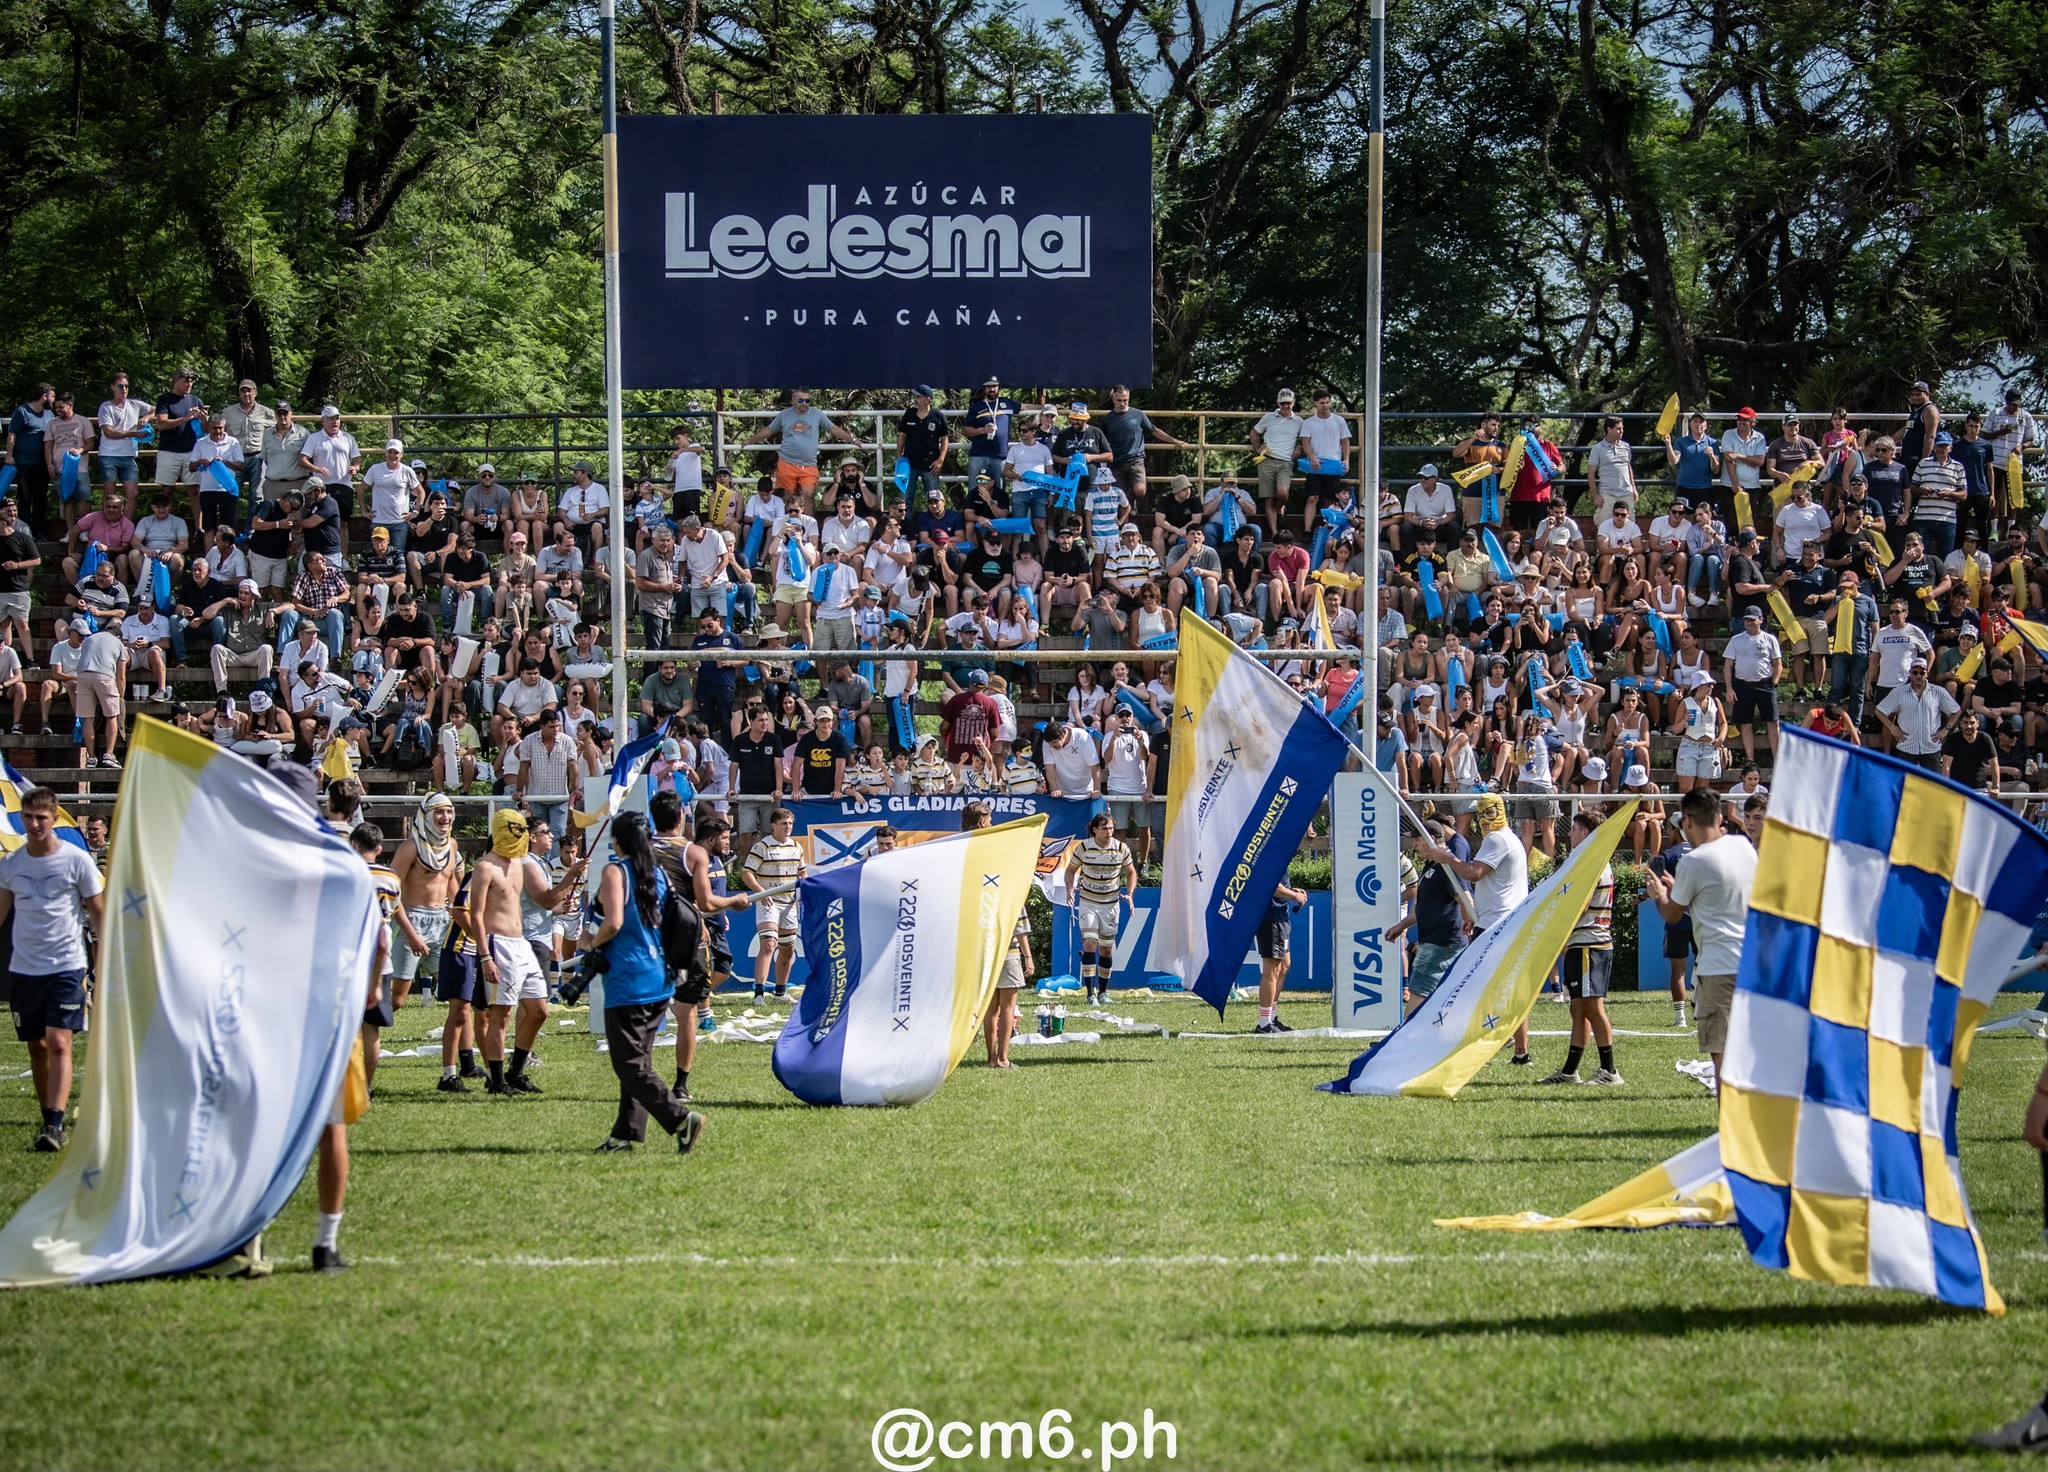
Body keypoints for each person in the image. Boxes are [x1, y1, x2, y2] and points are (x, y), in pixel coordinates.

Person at [585, 811, 707, 1155]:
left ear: (617, 840)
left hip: (629, 979)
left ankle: (681, 1119)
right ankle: (625, 1135)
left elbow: (613, 922)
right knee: (639, 1061)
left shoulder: (615, 871)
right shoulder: (658, 874)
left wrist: (590, 946)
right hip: (660, 978)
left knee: (629, 1064)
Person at [0, 787, 105, 1151]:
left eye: (41, 817)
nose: (33, 824)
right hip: (24, 969)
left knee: (60, 1043)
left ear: (54, 818)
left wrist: (107, 959)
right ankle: (49, 1116)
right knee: (37, 1046)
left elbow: (98, 910)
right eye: (28, 817)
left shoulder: (76, 860)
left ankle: (54, 1125)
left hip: (65, 965)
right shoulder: (12, 864)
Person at [1644, 785, 1758, 1087]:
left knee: (1722, 1061)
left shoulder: (1694, 861)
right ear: (1720, 817)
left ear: (1690, 822)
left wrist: (1659, 894)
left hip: (1718, 969)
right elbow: (1717, 899)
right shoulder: (1744, 846)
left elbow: (1672, 914)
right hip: (1752, 965)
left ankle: (1730, 1131)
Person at [468, 807, 585, 1096]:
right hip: (498, 945)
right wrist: (484, 956)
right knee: (502, 1014)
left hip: (522, 943)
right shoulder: (486, 867)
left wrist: (562, 895)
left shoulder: (521, 865)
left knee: (539, 1010)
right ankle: (497, 1082)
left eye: (522, 829)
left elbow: (541, 901)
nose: (519, 835)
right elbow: (476, 914)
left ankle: (516, 1072)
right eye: (514, 829)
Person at [1413, 793, 1531, 1063]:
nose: (1485, 819)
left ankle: (1474, 1042)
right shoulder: (1509, 838)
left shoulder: (1497, 839)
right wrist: (1473, 913)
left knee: (1477, 985)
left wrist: (1446, 857)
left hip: (1496, 925)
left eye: (1489, 813)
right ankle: (1520, 1050)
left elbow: (1473, 873)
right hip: (1498, 920)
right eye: (1483, 813)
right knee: (1505, 987)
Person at [386, 793, 471, 1090]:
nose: (445, 818)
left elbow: (454, 887)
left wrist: (463, 918)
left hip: (442, 925)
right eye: (439, 812)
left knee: (460, 998)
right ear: (426, 814)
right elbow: (390, 892)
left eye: (449, 812)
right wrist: (410, 934)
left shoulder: (451, 846)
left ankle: (461, 1068)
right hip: (411, 922)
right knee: (396, 1000)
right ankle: (355, 1035)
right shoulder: (411, 847)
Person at [1538, 809, 1621, 1086]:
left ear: (1585, 833)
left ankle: (1609, 1071)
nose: (1570, 833)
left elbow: (1581, 903)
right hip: (1584, 942)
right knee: (1578, 1008)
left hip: (1590, 942)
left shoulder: (1592, 862)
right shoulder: (1590, 860)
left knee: (1593, 1007)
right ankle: (1570, 1070)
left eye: (1574, 829)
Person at [1066, 811, 1136, 1006]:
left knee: (1106, 950)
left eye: (1111, 828)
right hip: (1088, 902)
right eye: (1105, 828)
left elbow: (1131, 872)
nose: (1109, 832)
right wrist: (1069, 889)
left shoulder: (1121, 848)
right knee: (1089, 944)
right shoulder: (1084, 848)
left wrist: (1130, 894)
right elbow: (1070, 870)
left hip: (1111, 904)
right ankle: (1090, 994)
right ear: (1095, 829)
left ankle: (1103, 993)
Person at [740, 388, 860, 500]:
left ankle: (810, 523)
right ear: (793, 399)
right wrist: (750, 440)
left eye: (807, 400)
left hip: (809, 464)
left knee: (809, 495)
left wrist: (853, 440)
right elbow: (769, 430)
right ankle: (792, 522)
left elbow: (833, 429)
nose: (804, 403)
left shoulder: (817, 414)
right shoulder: (784, 414)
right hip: (787, 462)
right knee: (790, 496)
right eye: (801, 400)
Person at [741, 806, 804, 1000]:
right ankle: (759, 992)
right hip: (768, 901)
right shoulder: (762, 846)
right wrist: (760, 892)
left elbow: (802, 872)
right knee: (768, 944)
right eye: (784, 823)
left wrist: (803, 890)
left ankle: (780, 992)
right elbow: (746, 873)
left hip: (789, 902)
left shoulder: (796, 846)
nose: (788, 827)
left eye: (790, 823)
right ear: (773, 825)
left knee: (788, 948)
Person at [1254, 877, 1308, 1035]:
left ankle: (1272, 1017)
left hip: (1279, 916)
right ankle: (1264, 1023)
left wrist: (1292, 891)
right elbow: (1272, 885)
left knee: (1284, 965)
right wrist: (1294, 896)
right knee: (1272, 969)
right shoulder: (1270, 853)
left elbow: (1279, 884)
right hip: (1271, 918)